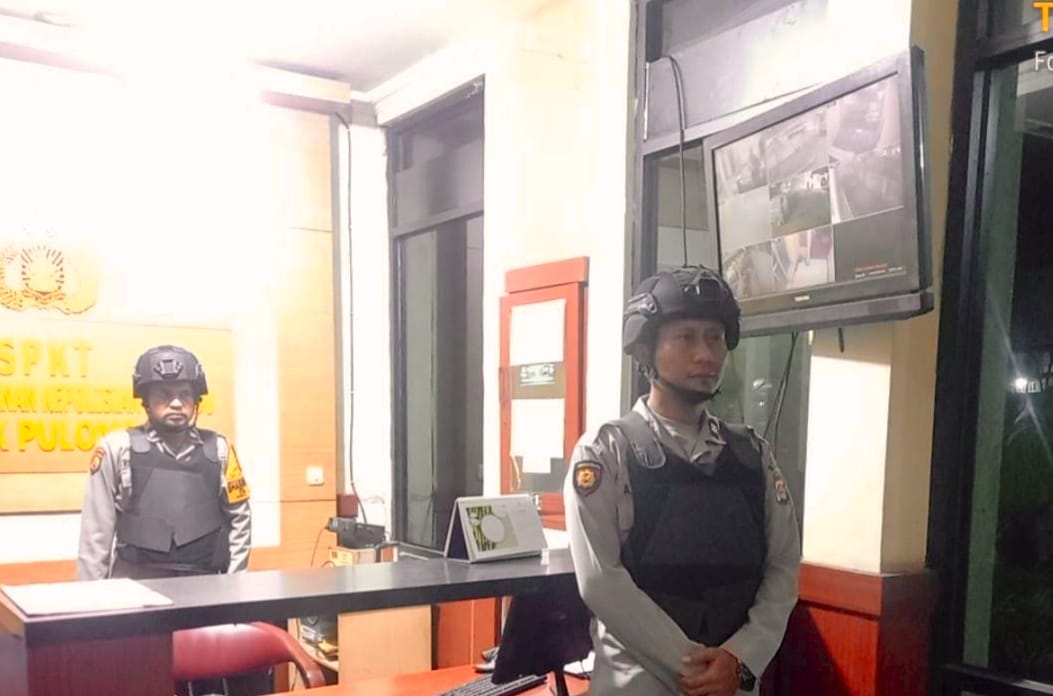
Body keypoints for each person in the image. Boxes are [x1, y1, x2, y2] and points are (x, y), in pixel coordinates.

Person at [564, 265, 801, 695]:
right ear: (646, 349)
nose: (705, 354)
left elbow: (783, 568)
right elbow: (600, 581)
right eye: (686, 338)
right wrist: (698, 670)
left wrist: (741, 660)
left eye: (715, 338)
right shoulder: (606, 452)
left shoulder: (753, 456)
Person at [77, 345, 251, 580]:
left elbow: (240, 519)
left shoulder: (219, 450)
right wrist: (91, 599)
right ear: (146, 402)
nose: (176, 403)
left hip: (206, 585)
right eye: (164, 395)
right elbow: (95, 535)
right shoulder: (117, 449)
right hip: (134, 586)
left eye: (185, 394)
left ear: (196, 400)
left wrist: (235, 584)